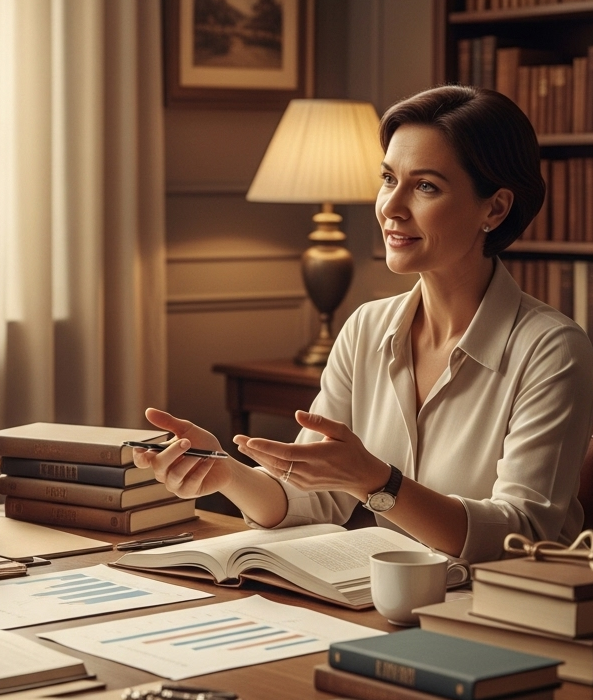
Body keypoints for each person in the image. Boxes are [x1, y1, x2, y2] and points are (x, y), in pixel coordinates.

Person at [135, 85, 593, 564]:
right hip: (382, 603)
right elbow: (315, 498)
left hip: (497, 615)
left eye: (426, 186)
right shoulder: (366, 328)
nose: (391, 208)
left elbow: (520, 535)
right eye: (388, 179)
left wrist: (377, 481)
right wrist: (225, 473)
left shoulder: (552, 349)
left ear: (494, 209)